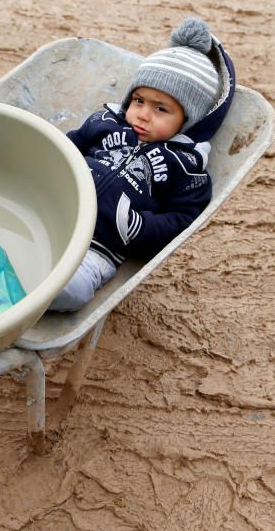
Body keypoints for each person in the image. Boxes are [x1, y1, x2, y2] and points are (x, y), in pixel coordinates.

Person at [48, 18, 236, 312]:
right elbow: (66, 148)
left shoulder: (186, 167)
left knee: (73, 290)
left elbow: (182, 218)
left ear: (187, 120)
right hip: (55, 215)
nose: (143, 115)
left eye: (161, 109)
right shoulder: (105, 123)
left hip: (101, 247)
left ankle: (22, 297)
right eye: (138, 100)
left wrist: (138, 227)